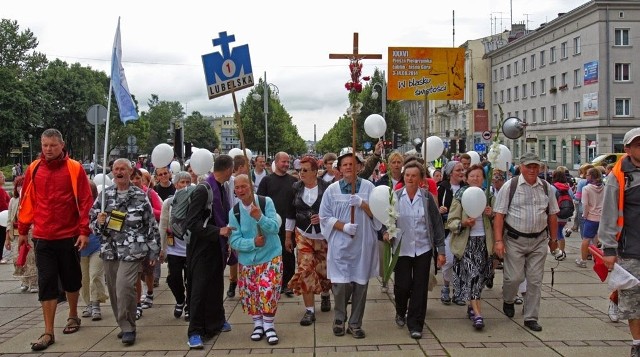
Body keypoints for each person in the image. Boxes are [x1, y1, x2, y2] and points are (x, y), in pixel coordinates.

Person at [18, 128, 93, 351]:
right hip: (42, 236)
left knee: (71, 279)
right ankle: (48, 331)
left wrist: (83, 231)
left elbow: (85, 200)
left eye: (52, 145)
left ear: (62, 145)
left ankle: (72, 314)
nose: (48, 149)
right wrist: (22, 230)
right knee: (47, 282)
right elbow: (27, 200)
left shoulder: (74, 168)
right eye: (44, 145)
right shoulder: (34, 168)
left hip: (68, 235)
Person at [90, 158, 160, 345]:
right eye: (116, 169)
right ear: (112, 172)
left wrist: (154, 251)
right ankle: (124, 324)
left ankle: (129, 326)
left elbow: (151, 225)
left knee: (124, 287)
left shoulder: (140, 195)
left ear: (130, 172)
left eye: (123, 169)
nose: (119, 172)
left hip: (133, 250)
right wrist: (99, 221)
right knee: (113, 290)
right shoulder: (104, 196)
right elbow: (92, 224)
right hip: (110, 249)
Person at [493, 152, 559, 332]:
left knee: (535, 281)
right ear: (521, 167)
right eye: (529, 166)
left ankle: (531, 317)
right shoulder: (510, 186)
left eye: (535, 166)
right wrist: (498, 241)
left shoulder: (546, 187)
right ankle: (508, 299)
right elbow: (499, 215)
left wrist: (554, 240)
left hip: (539, 240)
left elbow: (552, 215)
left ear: (540, 168)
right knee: (513, 278)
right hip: (515, 239)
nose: (532, 169)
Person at [319, 148, 382, 339]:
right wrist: (343, 226)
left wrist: (363, 204)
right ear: (339, 168)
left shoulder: (369, 188)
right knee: (340, 284)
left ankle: (355, 323)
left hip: (362, 244)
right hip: (340, 244)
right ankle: (340, 317)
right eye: (345, 164)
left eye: (352, 164)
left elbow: (379, 216)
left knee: (360, 285)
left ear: (360, 167)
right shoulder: (332, 190)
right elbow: (324, 217)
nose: (348, 167)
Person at [385, 161, 446, 339]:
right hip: (401, 249)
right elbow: (384, 221)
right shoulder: (394, 196)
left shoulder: (426, 198)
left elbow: (437, 224)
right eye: (407, 175)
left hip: (423, 248)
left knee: (420, 287)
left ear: (420, 179)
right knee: (402, 286)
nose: (410, 179)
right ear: (403, 177)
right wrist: (385, 233)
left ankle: (416, 324)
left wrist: (440, 250)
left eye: (414, 176)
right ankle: (400, 310)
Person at [598, 128, 640, 356]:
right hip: (630, 249)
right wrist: (609, 248)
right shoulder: (619, 175)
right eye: (638, 145)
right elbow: (609, 214)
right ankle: (637, 343)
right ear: (628, 149)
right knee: (633, 303)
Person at [186, 154, 234, 349]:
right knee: (199, 288)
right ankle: (194, 331)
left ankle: (216, 321)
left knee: (215, 285)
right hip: (201, 248)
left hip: (216, 246)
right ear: (229, 170)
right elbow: (192, 222)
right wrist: (217, 231)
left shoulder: (222, 187)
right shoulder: (203, 189)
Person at [228, 174, 283, 345]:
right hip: (248, 261)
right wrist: (253, 242)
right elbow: (234, 240)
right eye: (237, 188)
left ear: (252, 187)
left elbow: (274, 228)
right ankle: (258, 324)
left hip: (270, 256)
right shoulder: (234, 212)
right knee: (252, 295)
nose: (241, 190)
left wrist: (260, 217)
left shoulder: (266, 202)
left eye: (244, 186)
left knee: (268, 291)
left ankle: (269, 325)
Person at [284, 156, 332, 326]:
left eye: (305, 170)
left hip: (323, 236)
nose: (301, 173)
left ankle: (326, 295)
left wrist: (324, 218)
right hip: (303, 234)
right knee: (305, 270)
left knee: (324, 272)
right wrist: (288, 236)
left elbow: (334, 211)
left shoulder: (327, 188)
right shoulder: (296, 188)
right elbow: (290, 213)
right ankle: (309, 311)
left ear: (315, 171)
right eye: (299, 170)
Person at [447, 164, 495, 330]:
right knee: (473, 276)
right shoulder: (460, 196)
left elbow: (498, 221)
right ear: (466, 179)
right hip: (466, 244)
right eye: (472, 176)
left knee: (480, 279)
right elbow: (451, 222)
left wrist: (492, 214)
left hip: (484, 243)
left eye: (479, 176)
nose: (476, 179)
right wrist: (463, 223)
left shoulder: (489, 195)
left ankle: (471, 305)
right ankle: (478, 315)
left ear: (483, 178)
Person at [257, 152, 298, 297]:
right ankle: (274, 283)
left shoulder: (293, 181)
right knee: (272, 255)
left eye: (288, 162)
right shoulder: (266, 181)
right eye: (283, 162)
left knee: (288, 255)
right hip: (271, 225)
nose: (286, 164)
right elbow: (260, 203)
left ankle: (289, 284)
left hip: (289, 224)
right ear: (276, 162)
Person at [158, 171, 191, 319]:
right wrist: (161, 247)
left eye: (187, 183)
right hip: (174, 248)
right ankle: (180, 299)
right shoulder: (169, 202)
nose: (185, 185)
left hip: (190, 248)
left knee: (191, 279)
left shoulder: (194, 199)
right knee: (174, 278)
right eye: (182, 182)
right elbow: (163, 225)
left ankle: (190, 306)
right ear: (176, 184)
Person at [437, 161, 467, 305]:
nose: (462, 172)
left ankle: (458, 291)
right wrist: (439, 209)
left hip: (463, 230)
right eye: (458, 170)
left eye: (463, 169)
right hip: (447, 230)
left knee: (461, 262)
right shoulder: (442, 188)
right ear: (450, 173)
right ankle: (446, 287)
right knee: (448, 261)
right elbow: (434, 206)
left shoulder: (466, 189)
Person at [80, 182, 109, 321]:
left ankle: (96, 303)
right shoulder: (73, 205)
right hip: (79, 247)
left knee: (95, 275)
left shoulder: (99, 205)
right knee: (83, 279)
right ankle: (89, 304)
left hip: (96, 246)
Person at [4, 175, 38, 292]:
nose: (20, 188)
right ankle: (24, 280)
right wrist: (7, 238)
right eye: (18, 186)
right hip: (16, 233)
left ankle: (33, 282)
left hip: (30, 232)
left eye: (22, 186)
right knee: (17, 258)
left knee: (30, 258)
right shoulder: (13, 201)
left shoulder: (31, 199)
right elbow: (9, 219)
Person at [577, 167, 604, 268]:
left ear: (591, 176)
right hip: (601, 217)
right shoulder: (604, 187)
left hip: (591, 217)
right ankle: (596, 258)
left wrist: (585, 214)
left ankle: (583, 260)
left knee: (586, 239)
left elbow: (585, 204)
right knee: (596, 239)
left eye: (588, 174)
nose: (586, 176)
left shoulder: (586, 188)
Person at [0, 171, 10, 264]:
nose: (4, 178)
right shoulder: (1, 191)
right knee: (2, 237)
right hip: (2, 217)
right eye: (2, 177)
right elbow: (3, 205)